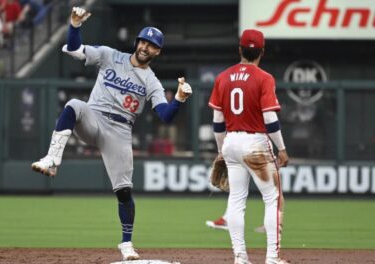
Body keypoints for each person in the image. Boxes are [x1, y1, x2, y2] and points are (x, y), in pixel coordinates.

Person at [31, 7, 192, 261]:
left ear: (157, 51)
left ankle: (126, 243)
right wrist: (74, 26)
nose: (145, 47)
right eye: (143, 41)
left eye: (151, 45)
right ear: (137, 41)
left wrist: (180, 100)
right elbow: (75, 50)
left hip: (119, 131)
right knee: (73, 105)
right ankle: (52, 159)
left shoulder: (151, 81)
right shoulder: (110, 55)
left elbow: (165, 115)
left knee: (124, 191)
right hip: (93, 118)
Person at [208, 29, 289, 264]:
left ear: (240, 50)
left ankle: (240, 257)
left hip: (231, 141)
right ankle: (272, 258)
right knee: (272, 199)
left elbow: (217, 122)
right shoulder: (264, 78)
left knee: (236, 200)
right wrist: (282, 148)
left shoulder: (222, 77)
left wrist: (221, 150)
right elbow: (270, 120)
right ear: (262, 52)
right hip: (255, 143)